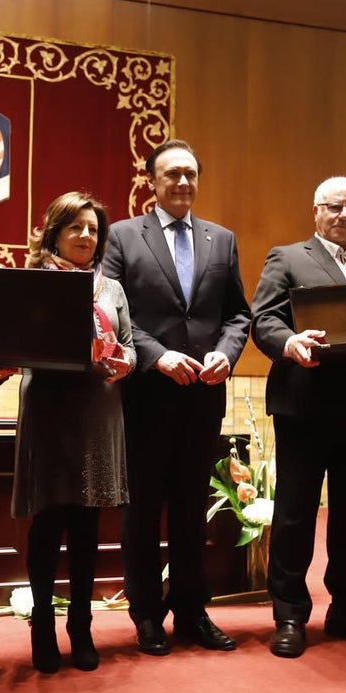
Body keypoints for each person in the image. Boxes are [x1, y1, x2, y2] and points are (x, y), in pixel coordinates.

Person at [102, 139, 251, 655]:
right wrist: (156, 354)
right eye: (172, 175)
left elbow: (238, 314)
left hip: (204, 394)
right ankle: (146, 614)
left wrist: (228, 354)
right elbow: (111, 315)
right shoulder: (121, 237)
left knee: (192, 509)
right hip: (145, 395)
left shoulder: (221, 240)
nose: (183, 182)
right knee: (142, 509)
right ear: (151, 181)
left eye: (190, 174)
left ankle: (191, 611)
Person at [250, 176, 346, 658]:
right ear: (315, 211)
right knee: (295, 513)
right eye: (334, 207)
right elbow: (264, 320)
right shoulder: (287, 257)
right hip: (306, 405)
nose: (343, 215)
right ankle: (290, 614)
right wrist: (289, 344)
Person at [0, 191, 135, 673]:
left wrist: (124, 362)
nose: (86, 236)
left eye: (93, 229)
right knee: (48, 524)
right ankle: (43, 626)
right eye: (76, 227)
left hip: (98, 412)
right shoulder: (32, 283)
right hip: (50, 411)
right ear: (54, 232)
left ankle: (81, 626)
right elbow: (7, 342)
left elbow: (130, 345)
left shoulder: (111, 288)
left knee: (88, 527)